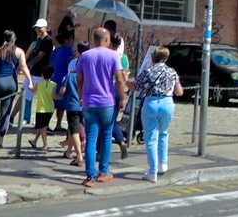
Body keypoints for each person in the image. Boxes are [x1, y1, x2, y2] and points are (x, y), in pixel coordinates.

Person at [76, 27, 128, 187]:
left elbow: (79, 80)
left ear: (94, 39)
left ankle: (90, 176)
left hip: (89, 101)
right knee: (106, 136)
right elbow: (119, 80)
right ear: (106, 39)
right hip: (107, 102)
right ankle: (103, 171)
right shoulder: (113, 55)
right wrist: (123, 98)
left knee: (91, 138)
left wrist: (80, 97)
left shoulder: (85, 56)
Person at [132, 45, 184, 182]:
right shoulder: (172, 72)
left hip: (151, 103)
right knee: (163, 134)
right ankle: (163, 164)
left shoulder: (148, 72)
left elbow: (134, 87)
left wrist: (124, 80)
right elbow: (179, 92)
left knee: (151, 138)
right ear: (166, 58)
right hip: (167, 103)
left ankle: (152, 171)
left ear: (153, 57)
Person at [57, 40, 88, 167]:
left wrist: (58, 94)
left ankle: (79, 155)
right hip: (85, 104)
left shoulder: (70, 75)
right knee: (72, 128)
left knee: (74, 130)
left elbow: (62, 90)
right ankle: (69, 151)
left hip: (73, 105)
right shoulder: (88, 74)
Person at [24, 18, 54, 124]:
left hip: (41, 72)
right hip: (34, 71)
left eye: (40, 28)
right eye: (37, 28)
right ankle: (26, 117)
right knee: (27, 94)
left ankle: (41, 121)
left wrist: (28, 64)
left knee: (42, 97)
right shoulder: (39, 40)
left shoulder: (48, 40)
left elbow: (40, 56)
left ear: (45, 28)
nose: (38, 30)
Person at [49, 33, 75, 133]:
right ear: (66, 40)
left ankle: (47, 124)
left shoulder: (55, 51)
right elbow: (69, 65)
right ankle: (58, 124)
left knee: (52, 103)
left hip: (53, 78)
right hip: (62, 79)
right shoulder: (68, 51)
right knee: (60, 103)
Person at [29, 64, 56, 151]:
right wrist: (60, 96)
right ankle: (34, 141)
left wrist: (29, 86)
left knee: (43, 127)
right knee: (42, 126)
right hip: (50, 108)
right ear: (52, 75)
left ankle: (45, 145)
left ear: (42, 75)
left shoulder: (39, 84)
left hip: (41, 109)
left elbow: (33, 90)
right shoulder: (54, 85)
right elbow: (53, 96)